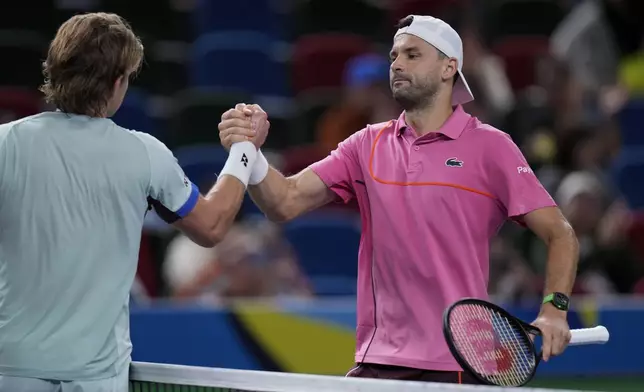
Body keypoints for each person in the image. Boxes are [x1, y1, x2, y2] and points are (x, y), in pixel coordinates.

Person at [218, 15, 579, 384]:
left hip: (457, 363)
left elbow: (560, 234)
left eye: (412, 54)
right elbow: (284, 202)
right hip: (379, 360)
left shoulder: (493, 148)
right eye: (393, 56)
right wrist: (249, 151)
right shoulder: (365, 144)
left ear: (448, 67)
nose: (396, 64)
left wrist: (555, 309)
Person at [0, 13, 264, 392]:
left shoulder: (5, 143)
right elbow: (213, 225)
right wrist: (244, 150)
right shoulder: (144, 153)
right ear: (118, 82)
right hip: (96, 378)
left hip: (11, 369)